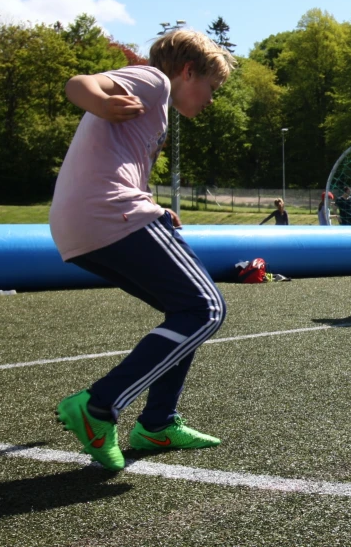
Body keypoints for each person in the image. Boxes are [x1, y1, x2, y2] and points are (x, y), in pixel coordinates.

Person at [49, 30, 236, 471]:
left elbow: (120, 164)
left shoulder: (158, 112)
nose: (212, 100)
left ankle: (156, 423)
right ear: (188, 71)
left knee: (185, 311)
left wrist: (152, 204)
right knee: (205, 310)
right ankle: (98, 407)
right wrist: (97, 99)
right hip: (107, 213)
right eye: (212, 87)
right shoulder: (154, 80)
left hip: (83, 223)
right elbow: (79, 83)